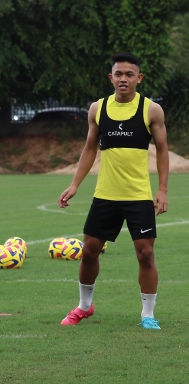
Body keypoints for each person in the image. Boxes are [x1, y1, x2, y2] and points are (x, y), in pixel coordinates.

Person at [58, 52, 169, 329]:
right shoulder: (98, 109)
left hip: (138, 196)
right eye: (118, 74)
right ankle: (84, 306)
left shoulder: (151, 110)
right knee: (89, 252)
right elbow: (89, 148)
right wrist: (74, 185)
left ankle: (148, 314)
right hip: (105, 195)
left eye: (129, 74)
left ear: (139, 78)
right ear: (111, 77)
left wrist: (163, 190)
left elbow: (163, 150)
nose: (123, 79)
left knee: (145, 254)